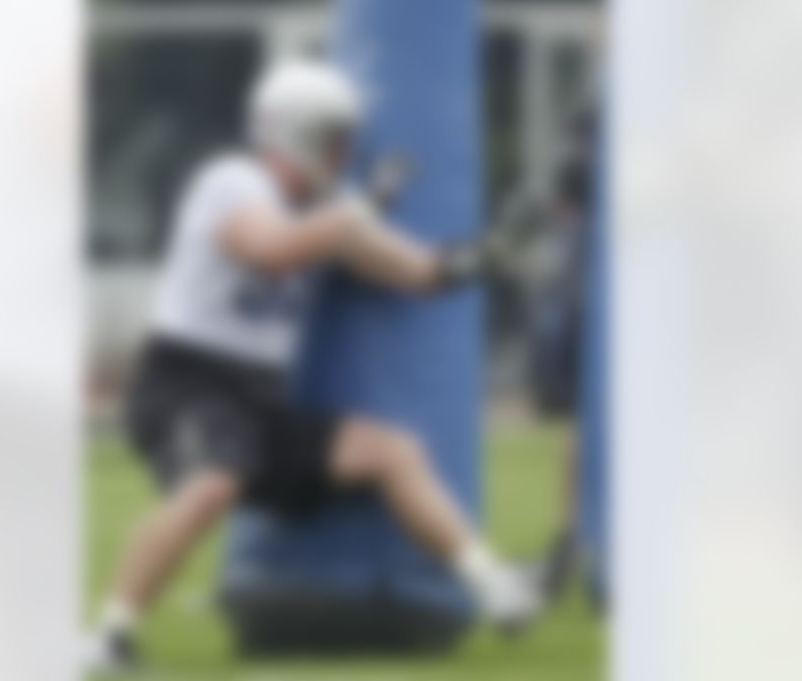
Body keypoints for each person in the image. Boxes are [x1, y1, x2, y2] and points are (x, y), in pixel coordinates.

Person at [87, 58, 539, 672]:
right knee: (215, 479)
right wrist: (365, 206)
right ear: (293, 131)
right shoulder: (233, 179)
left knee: (393, 450)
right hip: (185, 381)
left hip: (259, 400)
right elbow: (272, 250)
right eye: (333, 135)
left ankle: (496, 587)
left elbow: (419, 271)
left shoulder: (334, 210)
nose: (344, 149)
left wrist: (494, 250)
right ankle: (109, 635)